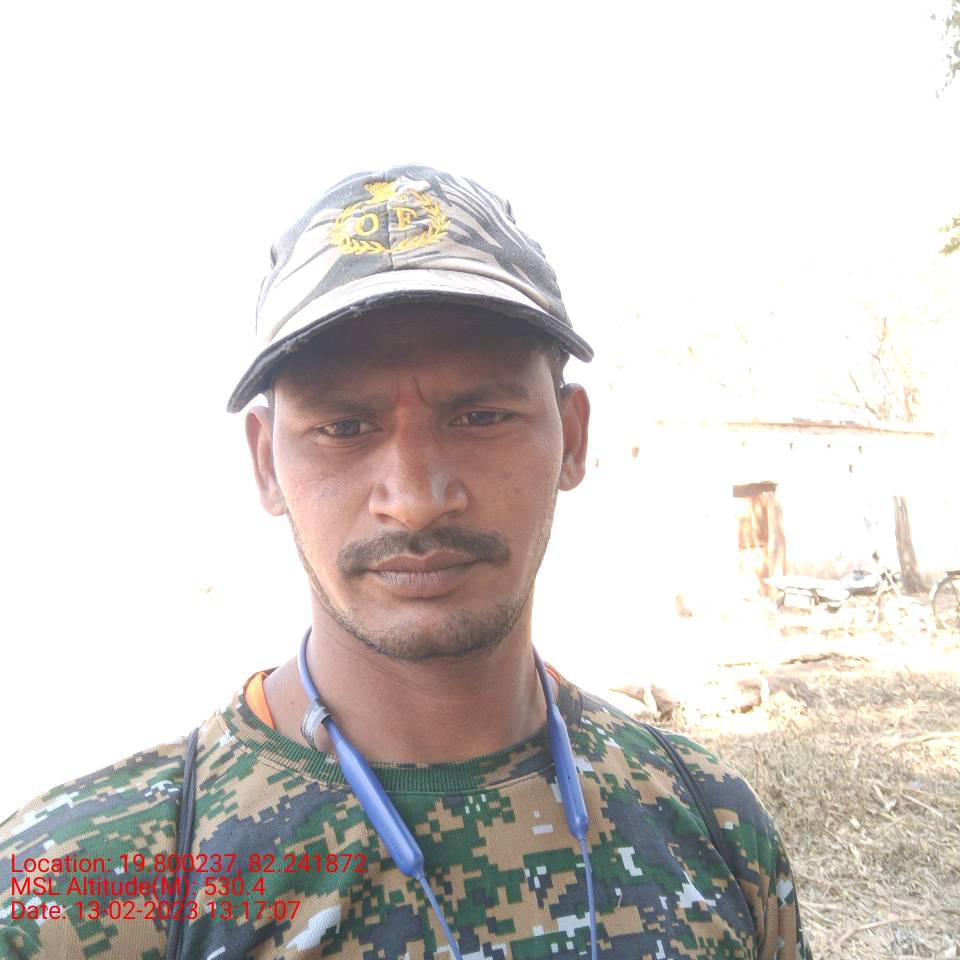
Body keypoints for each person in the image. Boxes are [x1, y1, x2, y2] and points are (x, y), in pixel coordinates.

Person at [0, 165, 811, 959]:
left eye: (481, 415)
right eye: (343, 428)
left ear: (573, 438)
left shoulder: (714, 825)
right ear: (265, 464)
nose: (417, 500)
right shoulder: (81, 891)